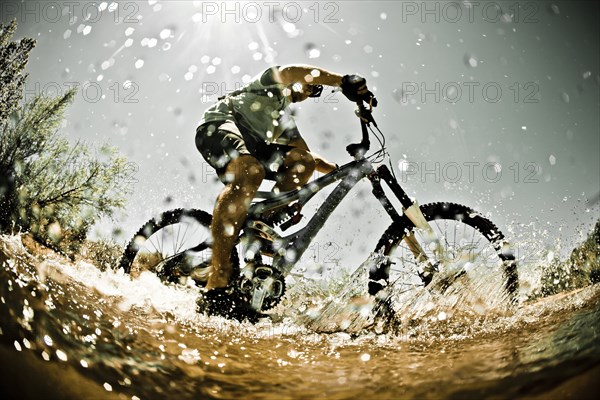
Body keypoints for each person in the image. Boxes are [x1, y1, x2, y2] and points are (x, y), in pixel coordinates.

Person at [195, 64, 373, 293]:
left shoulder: (283, 121)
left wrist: (343, 170)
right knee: (251, 171)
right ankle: (218, 275)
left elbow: (309, 158)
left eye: (315, 92)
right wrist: (343, 81)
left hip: (254, 149)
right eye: (312, 87)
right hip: (219, 125)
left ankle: (262, 223)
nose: (310, 93)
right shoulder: (267, 85)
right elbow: (291, 70)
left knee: (303, 162)